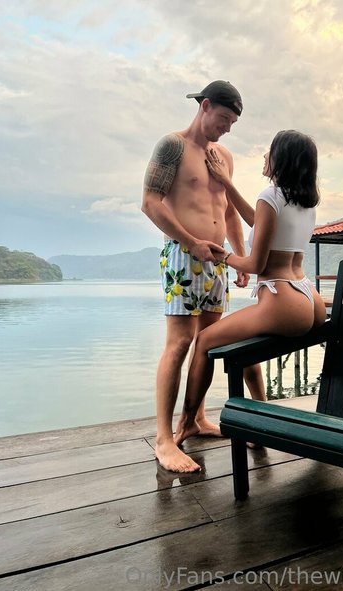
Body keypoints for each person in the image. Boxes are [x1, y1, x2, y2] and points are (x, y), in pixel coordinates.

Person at [174, 130, 327, 470]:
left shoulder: (270, 195)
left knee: (204, 341)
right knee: (241, 343)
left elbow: (256, 264)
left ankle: (186, 422)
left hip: (281, 299)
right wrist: (227, 183)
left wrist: (223, 256)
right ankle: (259, 425)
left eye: (269, 151)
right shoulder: (304, 201)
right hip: (307, 296)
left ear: (281, 158)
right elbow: (260, 222)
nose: (264, 156)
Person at [141, 80, 265, 473]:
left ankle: (194, 419)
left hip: (218, 260)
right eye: (224, 118)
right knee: (179, 343)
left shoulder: (223, 156)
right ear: (205, 106)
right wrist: (191, 242)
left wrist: (240, 257)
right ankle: (164, 439)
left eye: (232, 123)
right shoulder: (172, 146)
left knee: (208, 343)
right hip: (182, 255)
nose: (227, 128)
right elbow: (150, 203)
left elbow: (227, 210)